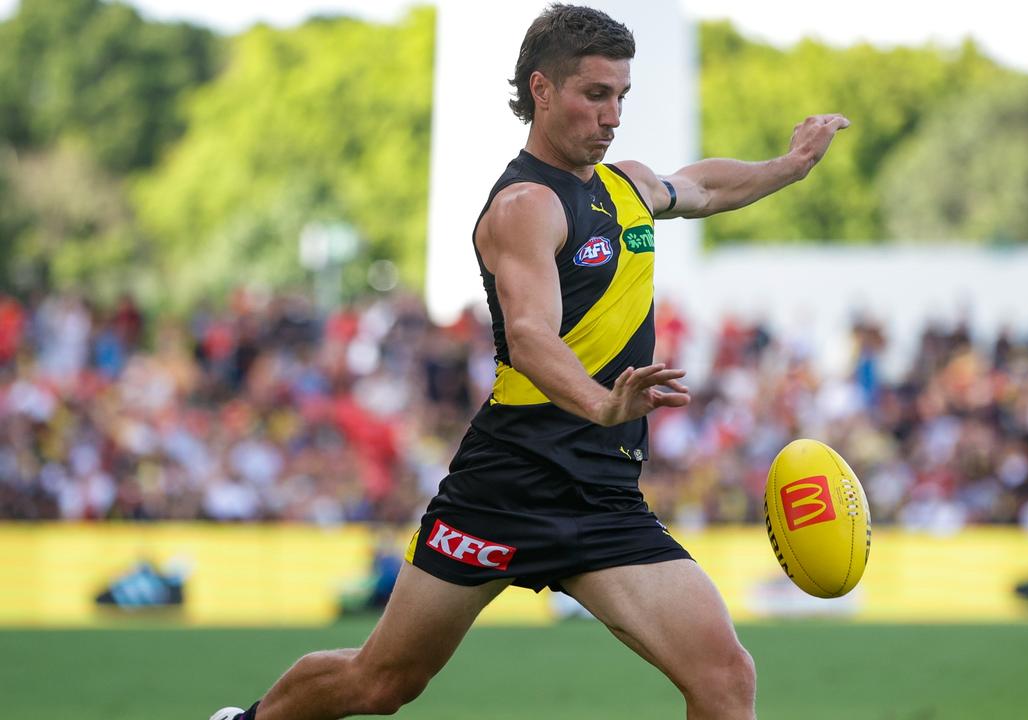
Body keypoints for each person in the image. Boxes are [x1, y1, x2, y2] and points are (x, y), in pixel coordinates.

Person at [210, 5, 847, 719]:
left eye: (621, 97)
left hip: (603, 493)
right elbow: (532, 335)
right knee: (383, 682)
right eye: (595, 94)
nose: (612, 116)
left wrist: (789, 168)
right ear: (542, 91)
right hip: (508, 484)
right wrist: (601, 402)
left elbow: (702, 187)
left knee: (726, 680)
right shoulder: (523, 206)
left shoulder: (627, 188)